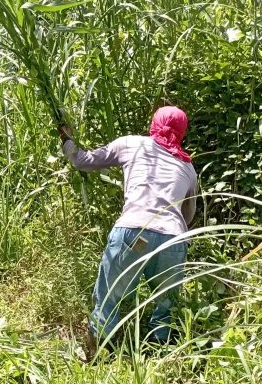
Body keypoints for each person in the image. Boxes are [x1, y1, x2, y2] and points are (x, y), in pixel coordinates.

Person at [58, 106, 198, 354]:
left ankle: (100, 351)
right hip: (174, 240)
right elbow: (187, 215)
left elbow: (83, 161)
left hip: (135, 230)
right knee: (167, 304)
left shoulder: (132, 144)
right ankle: (161, 355)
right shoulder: (187, 167)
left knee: (110, 296)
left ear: (154, 123)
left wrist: (68, 141)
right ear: (182, 131)